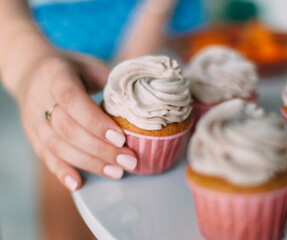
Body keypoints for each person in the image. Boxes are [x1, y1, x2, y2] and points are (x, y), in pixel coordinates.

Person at [0, 0, 206, 239]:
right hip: (51, 45)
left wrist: (155, 13)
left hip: (168, 42)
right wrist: (27, 61)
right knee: (66, 160)